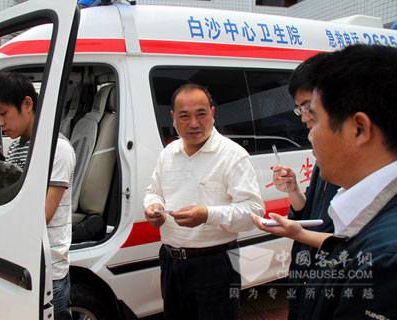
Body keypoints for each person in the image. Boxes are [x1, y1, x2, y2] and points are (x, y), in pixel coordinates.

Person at [252, 44, 397, 319]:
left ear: (359, 128)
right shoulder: (364, 211)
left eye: (314, 116)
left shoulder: (386, 259)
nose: (308, 133)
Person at [143, 83, 265, 320]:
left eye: (201, 114)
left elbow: (253, 212)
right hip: (171, 259)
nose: (194, 124)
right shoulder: (168, 153)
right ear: (173, 117)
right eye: (184, 116)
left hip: (216, 263)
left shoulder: (233, 155)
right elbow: (154, 191)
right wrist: (152, 207)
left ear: (212, 113)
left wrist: (207, 214)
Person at [0, 72, 75, 320]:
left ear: (27, 104)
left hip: (47, 268)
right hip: (20, 260)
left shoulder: (58, 149)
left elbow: (43, 214)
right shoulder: (16, 148)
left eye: (3, 113)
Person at [272, 52, 340, 319]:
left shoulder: (355, 166)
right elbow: (311, 212)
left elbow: (347, 243)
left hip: (330, 276)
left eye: (306, 107)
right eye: (298, 108)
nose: (302, 117)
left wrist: (297, 233)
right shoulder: (323, 155)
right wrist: (293, 190)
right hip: (306, 272)